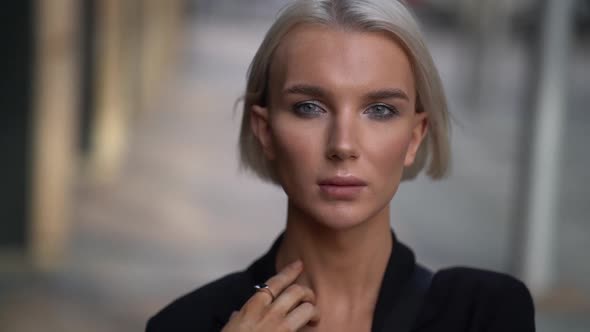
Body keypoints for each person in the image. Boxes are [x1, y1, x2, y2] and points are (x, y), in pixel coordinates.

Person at [146, 0, 535, 331]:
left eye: (379, 110)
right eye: (309, 108)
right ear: (265, 131)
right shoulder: (186, 323)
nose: (343, 145)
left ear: (414, 137)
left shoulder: (485, 313)